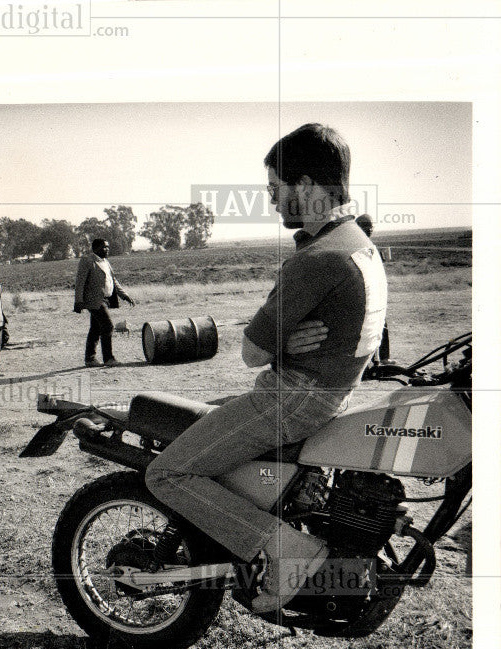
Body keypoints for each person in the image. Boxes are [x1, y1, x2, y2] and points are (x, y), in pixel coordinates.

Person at [145, 123, 387, 613]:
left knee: (167, 473)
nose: (273, 202)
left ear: (305, 186)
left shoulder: (316, 259)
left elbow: (251, 353)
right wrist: (290, 343)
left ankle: (287, 550)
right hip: (330, 393)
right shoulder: (361, 242)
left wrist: (278, 347)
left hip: (290, 398)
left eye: (275, 189)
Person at [74, 238, 134, 367]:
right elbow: (80, 282)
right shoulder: (88, 260)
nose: (107, 249)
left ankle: (90, 359)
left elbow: (113, 280)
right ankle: (108, 358)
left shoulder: (105, 262)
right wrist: (78, 301)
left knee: (95, 329)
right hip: (94, 300)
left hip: (106, 299)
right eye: (104, 247)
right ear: (95, 248)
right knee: (108, 326)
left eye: (107, 247)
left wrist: (124, 295)